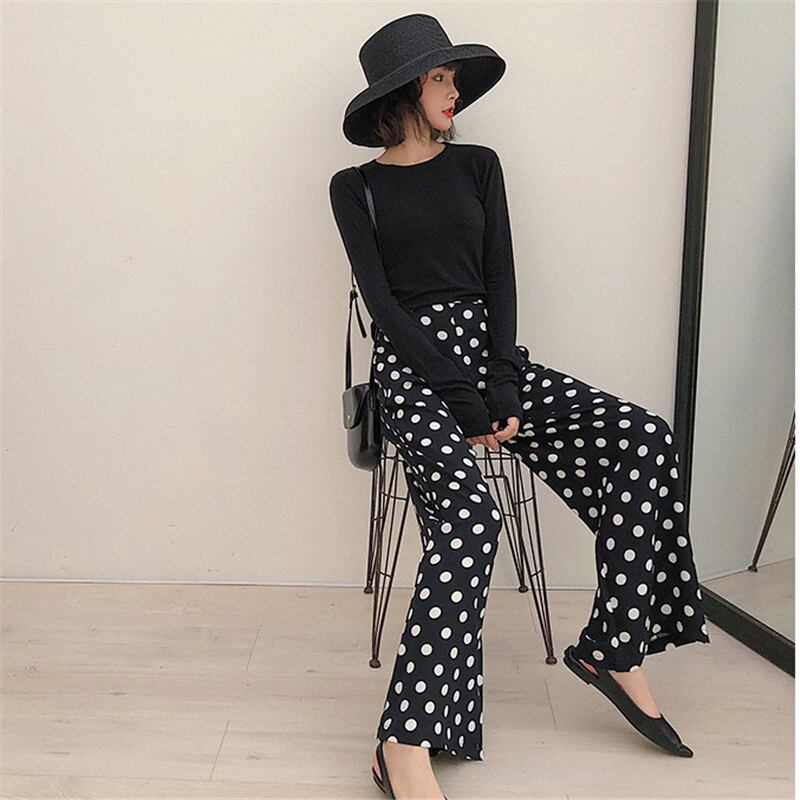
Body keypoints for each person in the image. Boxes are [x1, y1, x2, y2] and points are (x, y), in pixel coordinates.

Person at [328, 14, 711, 800]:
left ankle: (614, 646)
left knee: (643, 438)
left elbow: (500, 275)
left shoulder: (479, 165)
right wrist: (461, 398)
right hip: (414, 374)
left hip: (491, 361)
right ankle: (402, 742)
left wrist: (501, 384)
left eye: (452, 77)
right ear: (403, 91)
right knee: (473, 520)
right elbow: (385, 310)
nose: (454, 91)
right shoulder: (354, 187)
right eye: (440, 78)